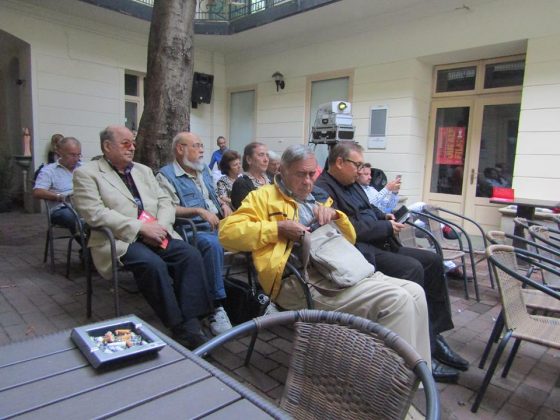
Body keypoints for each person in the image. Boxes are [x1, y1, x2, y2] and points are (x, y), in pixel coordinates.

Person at [219, 144, 431, 365]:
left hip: (340, 269)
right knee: (397, 301)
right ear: (282, 170)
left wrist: (337, 216)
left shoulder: (319, 196)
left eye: (312, 174)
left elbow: (350, 239)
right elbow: (227, 234)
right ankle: (389, 382)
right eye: (301, 174)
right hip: (300, 281)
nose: (308, 181)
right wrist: (277, 229)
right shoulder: (262, 197)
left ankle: (416, 377)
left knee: (415, 292)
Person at [315, 141, 468, 383]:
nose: (360, 170)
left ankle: (434, 335)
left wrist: (385, 216)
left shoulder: (352, 184)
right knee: (412, 268)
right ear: (339, 162)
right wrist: (386, 226)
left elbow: (369, 209)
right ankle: (418, 352)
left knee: (433, 261)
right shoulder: (323, 189)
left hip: (382, 243)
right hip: (362, 252)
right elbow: (351, 229)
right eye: (357, 165)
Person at [72, 125, 212, 349]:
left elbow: (165, 201)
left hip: (157, 232)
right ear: (107, 146)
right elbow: (95, 213)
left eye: (133, 143)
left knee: (190, 255)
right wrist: (140, 228)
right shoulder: (87, 174)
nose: (132, 147)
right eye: (125, 143)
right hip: (120, 238)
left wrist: (160, 227)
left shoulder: (143, 171)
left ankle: (192, 321)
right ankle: (178, 326)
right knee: (152, 264)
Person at [157, 132, 233, 336]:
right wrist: (198, 210)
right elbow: (168, 208)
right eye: (196, 146)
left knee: (255, 231)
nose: (201, 150)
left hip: (219, 224)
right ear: (180, 149)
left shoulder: (204, 169)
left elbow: (212, 195)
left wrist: (223, 204)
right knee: (212, 245)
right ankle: (215, 307)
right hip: (192, 229)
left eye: (201, 146)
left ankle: (262, 297)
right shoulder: (166, 175)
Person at [33, 136, 82, 233]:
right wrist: (59, 196)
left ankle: (89, 239)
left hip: (85, 204)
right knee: (75, 217)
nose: (76, 159)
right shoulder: (49, 171)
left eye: (78, 155)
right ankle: (86, 241)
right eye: (72, 155)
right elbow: (37, 191)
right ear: (60, 153)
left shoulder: (84, 167)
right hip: (62, 208)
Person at [230, 142, 270, 209]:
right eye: (261, 155)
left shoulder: (271, 180)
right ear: (249, 159)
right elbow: (245, 212)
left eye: (267, 155)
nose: (266, 160)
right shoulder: (241, 184)